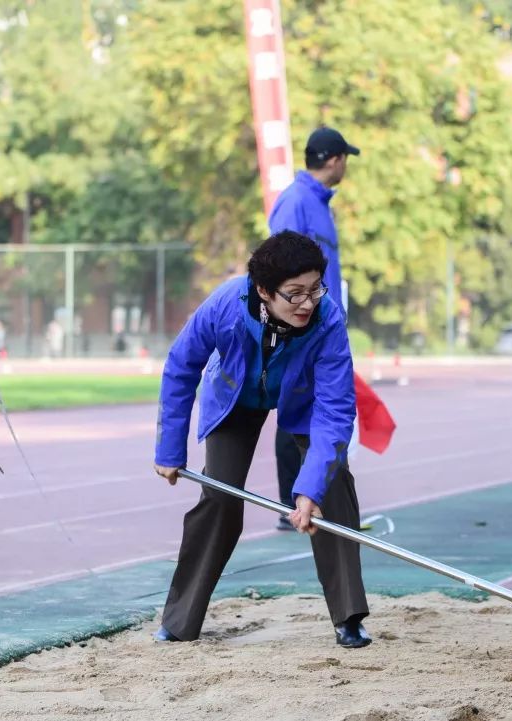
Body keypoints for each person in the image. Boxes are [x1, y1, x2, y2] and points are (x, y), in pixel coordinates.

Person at [152, 230, 372, 649]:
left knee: (333, 485)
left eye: (315, 289)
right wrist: (169, 449)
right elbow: (181, 367)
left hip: (303, 401)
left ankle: (349, 617)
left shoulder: (328, 321)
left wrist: (308, 489)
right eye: (295, 294)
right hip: (235, 396)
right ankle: (180, 620)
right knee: (219, 497)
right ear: (264, 291)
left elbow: (336, 410)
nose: (309, 302)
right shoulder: (225, 306)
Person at [267, 126, 359, 530]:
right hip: (302, 324)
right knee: (295, 408)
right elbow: (280, 265)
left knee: (326, 407)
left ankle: (315, 497)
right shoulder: (295, 202)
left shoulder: (321, 204)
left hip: (325, 323)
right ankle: (292, 505)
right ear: (335, 159)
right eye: (346, 159)